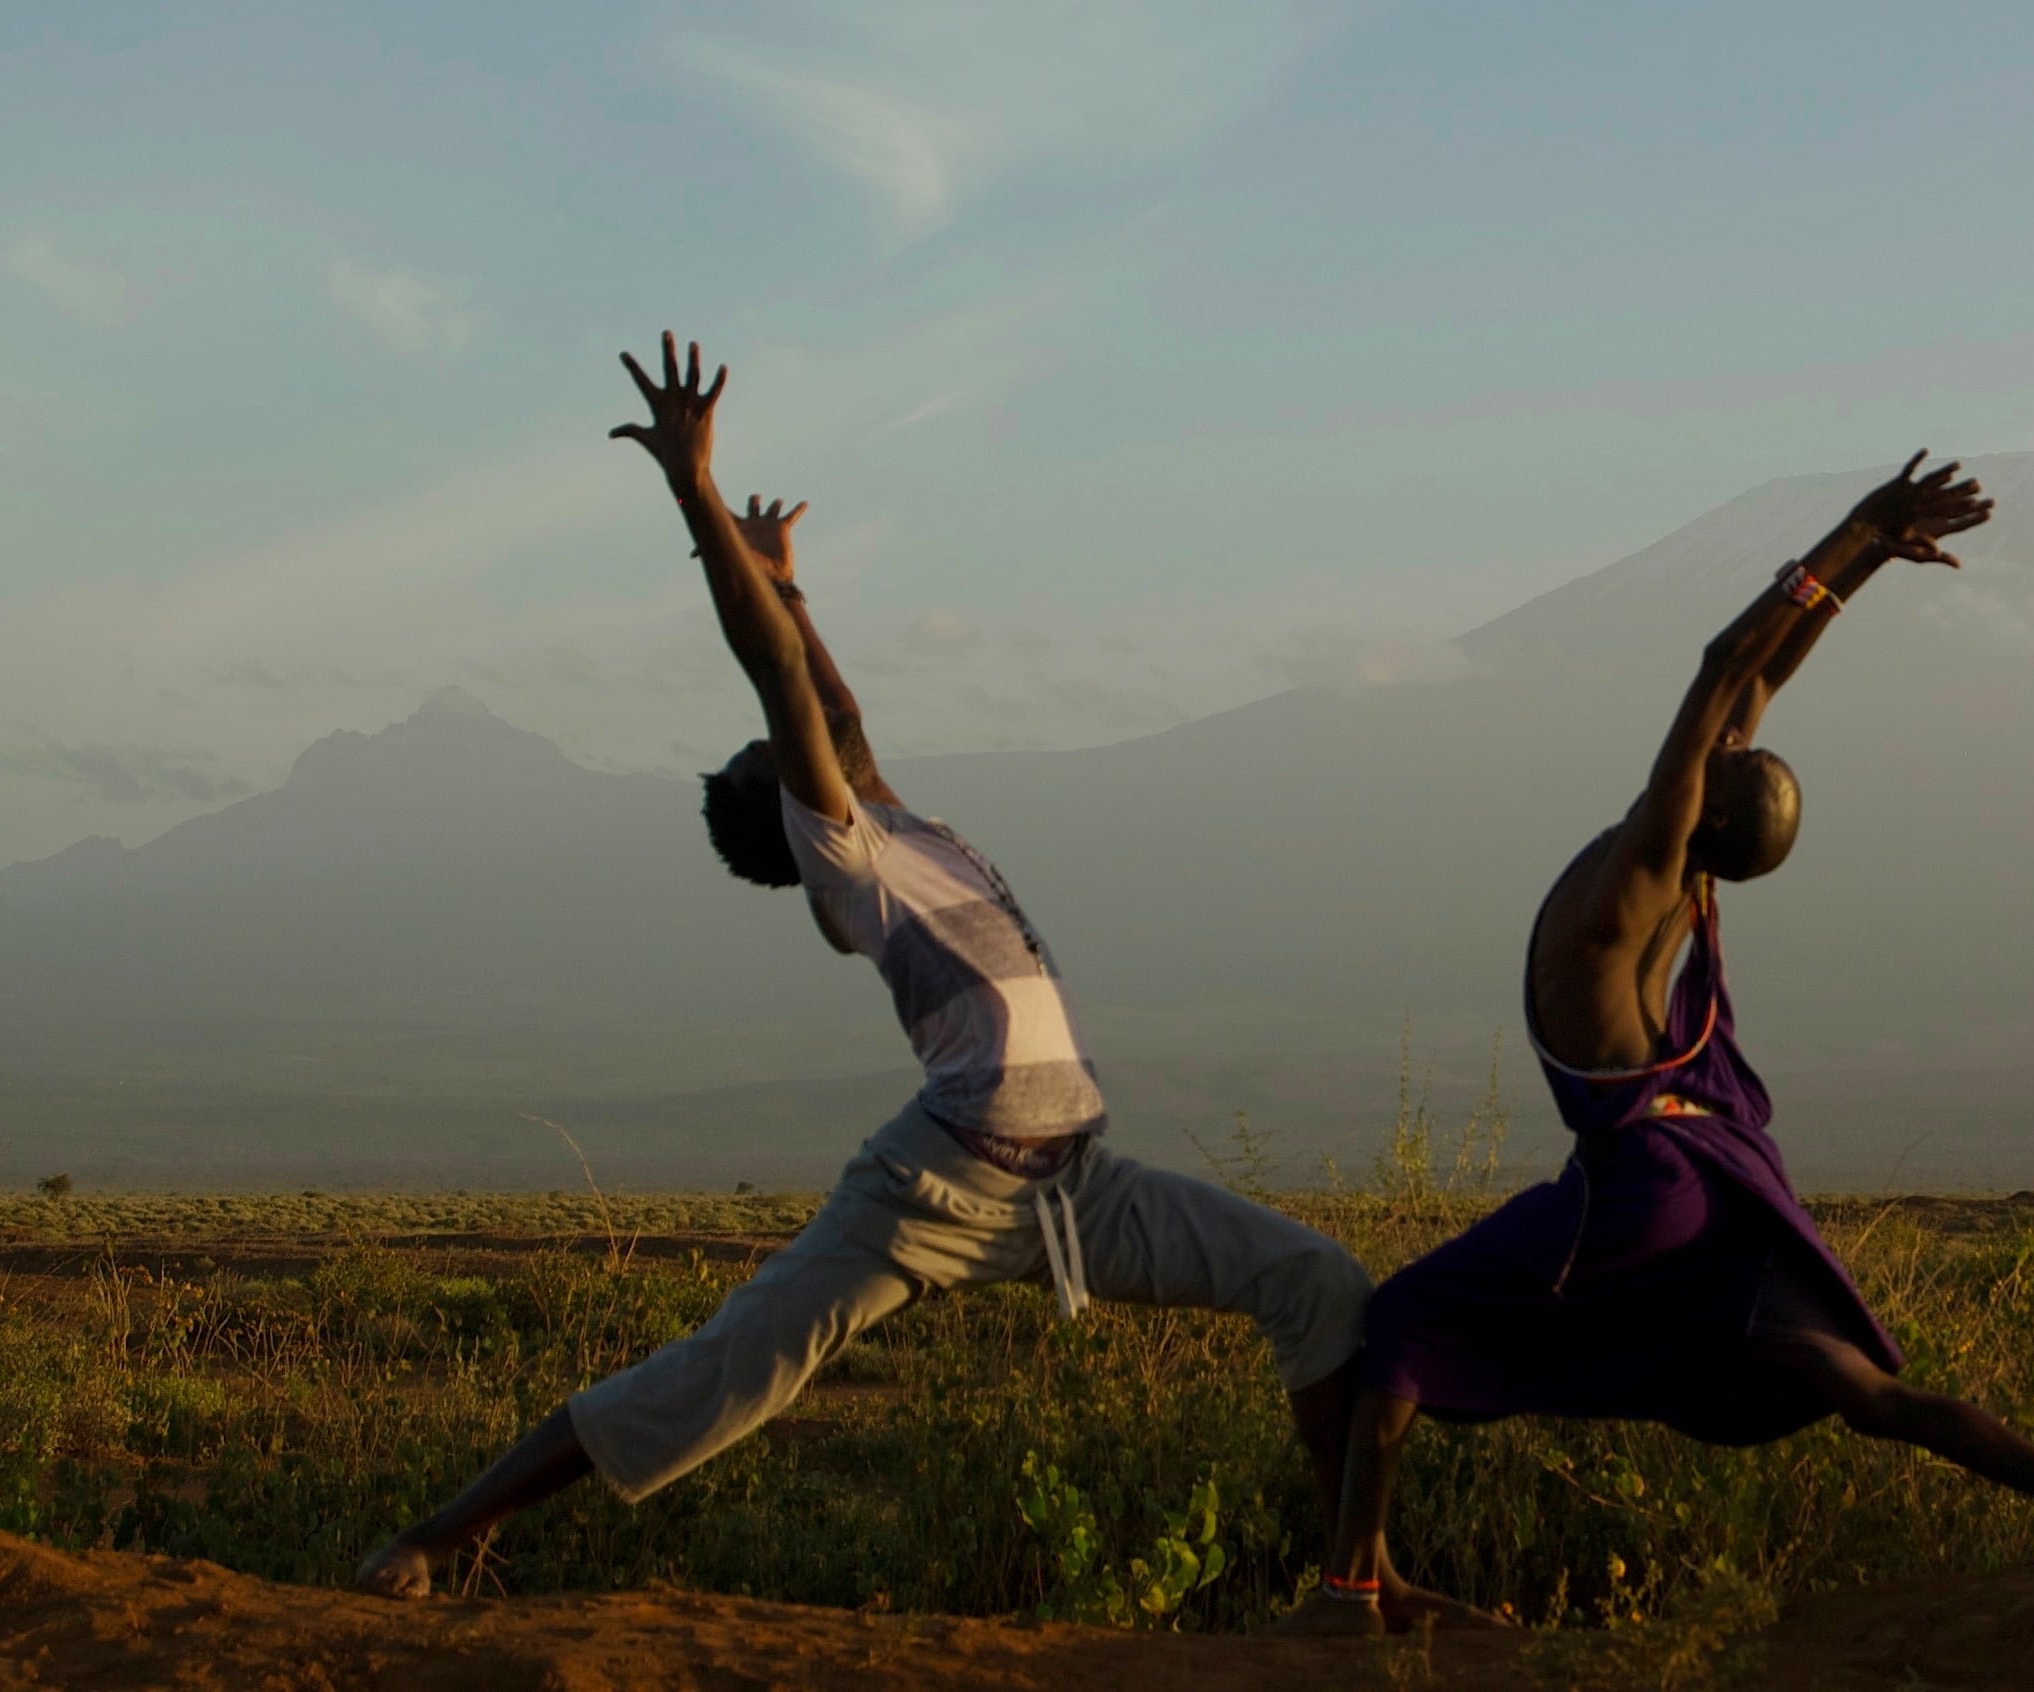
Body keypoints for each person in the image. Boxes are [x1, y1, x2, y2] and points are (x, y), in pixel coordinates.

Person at [359, 334, 1481, 1629]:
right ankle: (441, 1532)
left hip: (1078, 1189)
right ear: (779, 810)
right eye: (773, 756)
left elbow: (830, 705)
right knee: (732, 1371)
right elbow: (782, 686)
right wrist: (694, 495)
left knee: (1319, 1282)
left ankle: (1357, 1585)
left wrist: (796, 586)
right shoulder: (847, 861)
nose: (807, 745)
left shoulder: (901, 826)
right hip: (933, 1189)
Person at [1271, 453, 2034, 1634]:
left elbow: (1720, 666)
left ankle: (1354, 1587)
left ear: (1700, 806)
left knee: (1398, 1321)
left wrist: (1853, 524)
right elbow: (1757, 683)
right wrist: (1860, 570)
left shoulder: (1640, 871)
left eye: (1723, 762)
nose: (1727, 742)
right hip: (1720, 1179)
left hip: (1639, 1186)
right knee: (1859, 1389)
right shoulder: (1693, 876)